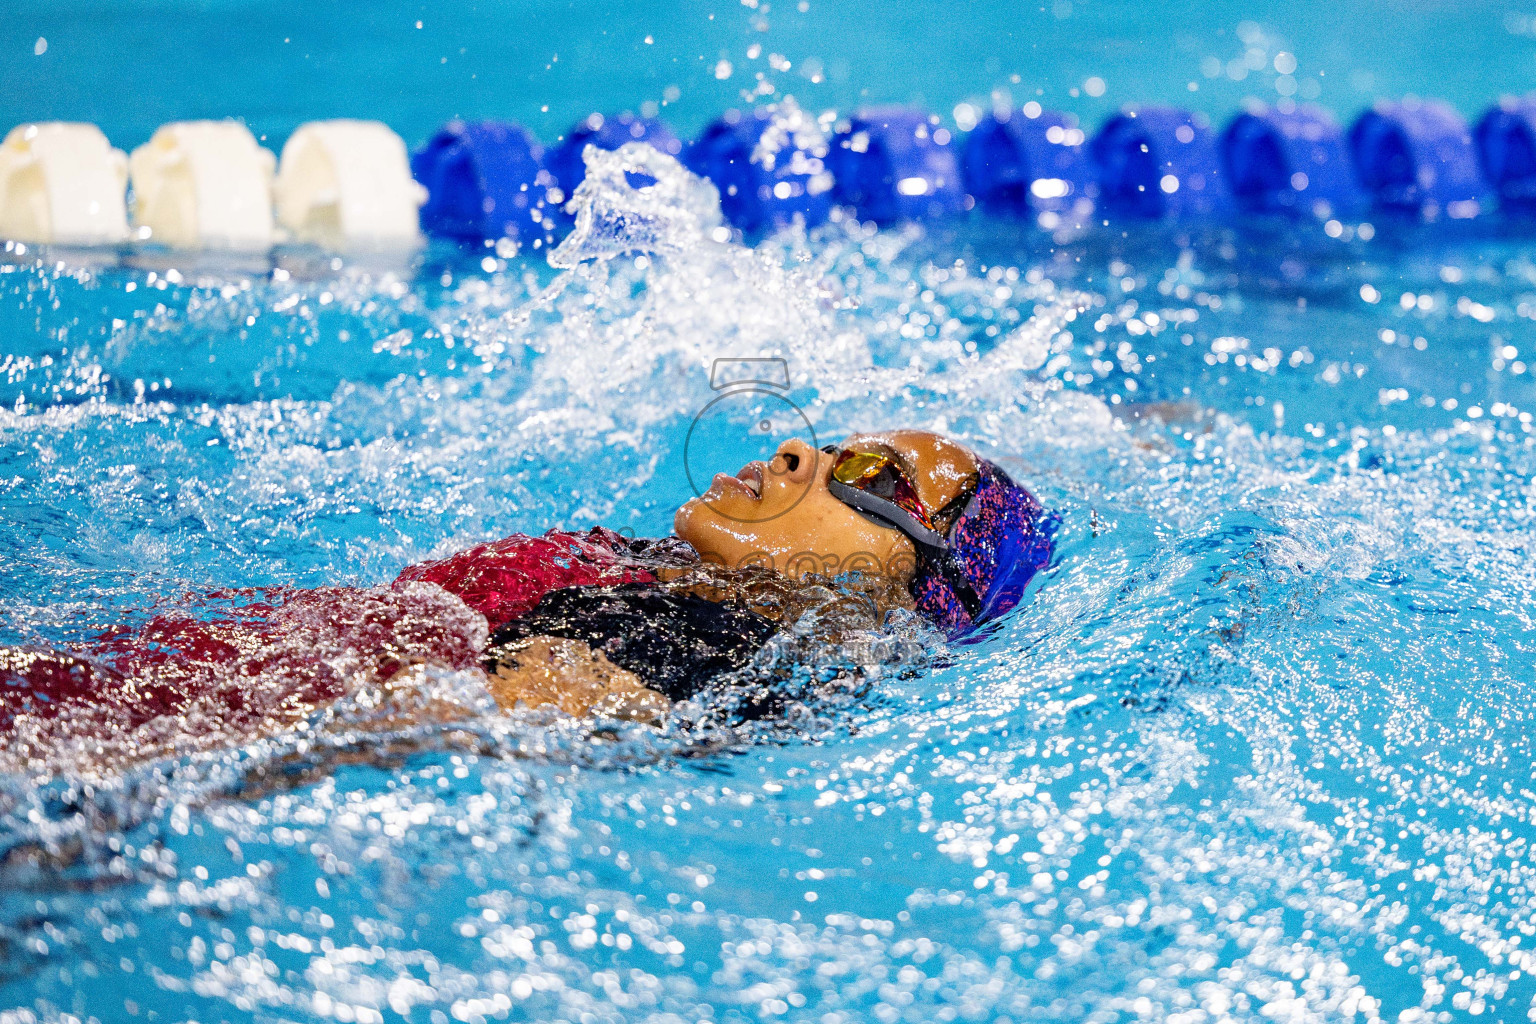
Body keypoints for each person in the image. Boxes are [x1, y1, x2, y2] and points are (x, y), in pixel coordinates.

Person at [0, 430, 1054, 770]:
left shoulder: (699, 643)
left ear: (912, 596)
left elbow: (413, 727)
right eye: (823, 438)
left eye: (867, 479)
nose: (792, 452)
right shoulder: (634, 564)